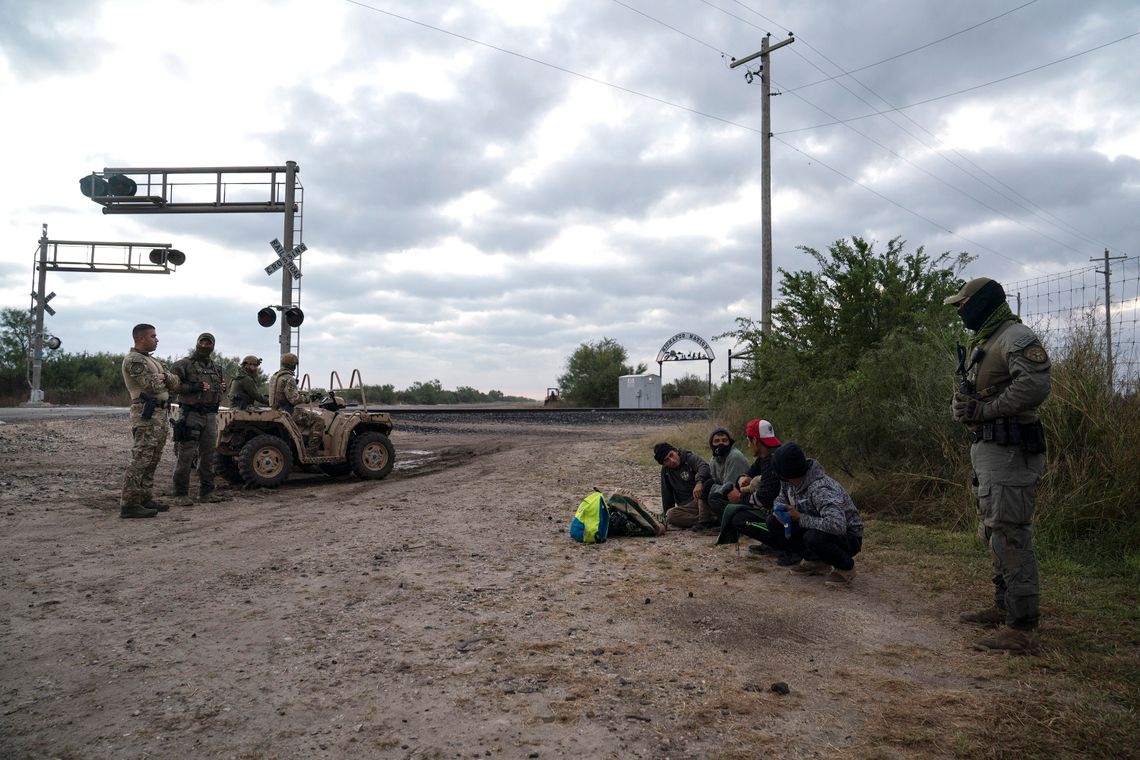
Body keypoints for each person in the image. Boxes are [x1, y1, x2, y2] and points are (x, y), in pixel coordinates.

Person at [945, 276, 1050, 655]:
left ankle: (1021, 628)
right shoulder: (988, 341)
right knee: (993, 530)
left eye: (962, 304)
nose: (959, 311)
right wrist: (966, 407)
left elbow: (1036, 387)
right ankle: (1004, 605)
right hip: (990, 449)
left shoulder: (1015, 337)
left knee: (1009, 533)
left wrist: (986, 409)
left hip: (1011, 450)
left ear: (981, 303)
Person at [753, 442, 864, 586]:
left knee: (813, 537)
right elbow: (781, 497)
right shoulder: (788, 481)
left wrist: (800, 518)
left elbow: (837, 525)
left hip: (848, 537)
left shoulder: (820, 488)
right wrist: (779, 509)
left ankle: (846, 567)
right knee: (773, 522)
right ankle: (815, 561)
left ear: (784, 471)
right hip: (817, 526)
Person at [119, 323, 180, 518]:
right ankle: (129, 504)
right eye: (153, 336)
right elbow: (151, 384)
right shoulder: (134, 360)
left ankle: (144, 498)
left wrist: (165, 376)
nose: (157, 339)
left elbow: (176, 382)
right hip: (146, 413)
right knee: (141, 458)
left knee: (153, 458)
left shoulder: (152, 361)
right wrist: (166, 378)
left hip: (160, 414)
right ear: (141, 338)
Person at [716, 419, 791, 563]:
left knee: (739, 520)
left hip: (786, 514)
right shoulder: (768, 454)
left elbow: (765, 499)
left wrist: (740, 497)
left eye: (749, 441)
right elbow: (748, 473)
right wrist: (741, 479)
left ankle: (783, 545)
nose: (748, 445)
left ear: (755, 441)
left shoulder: (771, 461)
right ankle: (773, 543)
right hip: (779, 509)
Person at [170, 332, 227, 506]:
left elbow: (218, 388)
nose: (205, 345)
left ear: (213, 346)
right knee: (186, 454)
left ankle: (206, 492)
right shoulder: (182, 365)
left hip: (210, 415)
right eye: (202, 342)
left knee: (208, 454)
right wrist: (194, 387)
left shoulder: (217, 368)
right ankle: (180, 494)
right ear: (197, 343)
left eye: (208, 343)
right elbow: (173, 386)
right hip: (190, 414)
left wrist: (221, 388)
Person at [269, 352, 326, 455]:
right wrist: (309, 398)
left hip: (276, 410)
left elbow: (283, 393)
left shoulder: (275, 376)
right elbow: (294, 400)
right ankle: (311, 453)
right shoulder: (289, 378)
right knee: (319, 420)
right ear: (293, 365)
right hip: (288, 412)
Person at [697, 427, 751, 530]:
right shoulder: (714, 458)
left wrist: (711, 487)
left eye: (724, 440)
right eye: (716, 441)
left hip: (743, 498)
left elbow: (730, 488)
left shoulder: (735, 457)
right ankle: (708, 521)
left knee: (714, 496)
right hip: (728, 496)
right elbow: (714, 480)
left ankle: (730, 526)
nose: (721, 444)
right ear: (711, 444)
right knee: (707, 488)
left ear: (730, 443)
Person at [653, 442, 711, 529]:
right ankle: (708, 520)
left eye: (671, 455)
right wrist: (666, 514)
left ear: (676, 451)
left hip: (701, 500)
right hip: (687, 507)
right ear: (664, 464)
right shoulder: (666, 471)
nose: (672, 461)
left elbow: (704, 467)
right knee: (670, 515)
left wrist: (699, 482)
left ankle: (705, 520)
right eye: (666, 460)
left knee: (706, 489)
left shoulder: (689, 458)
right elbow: (667, 494)